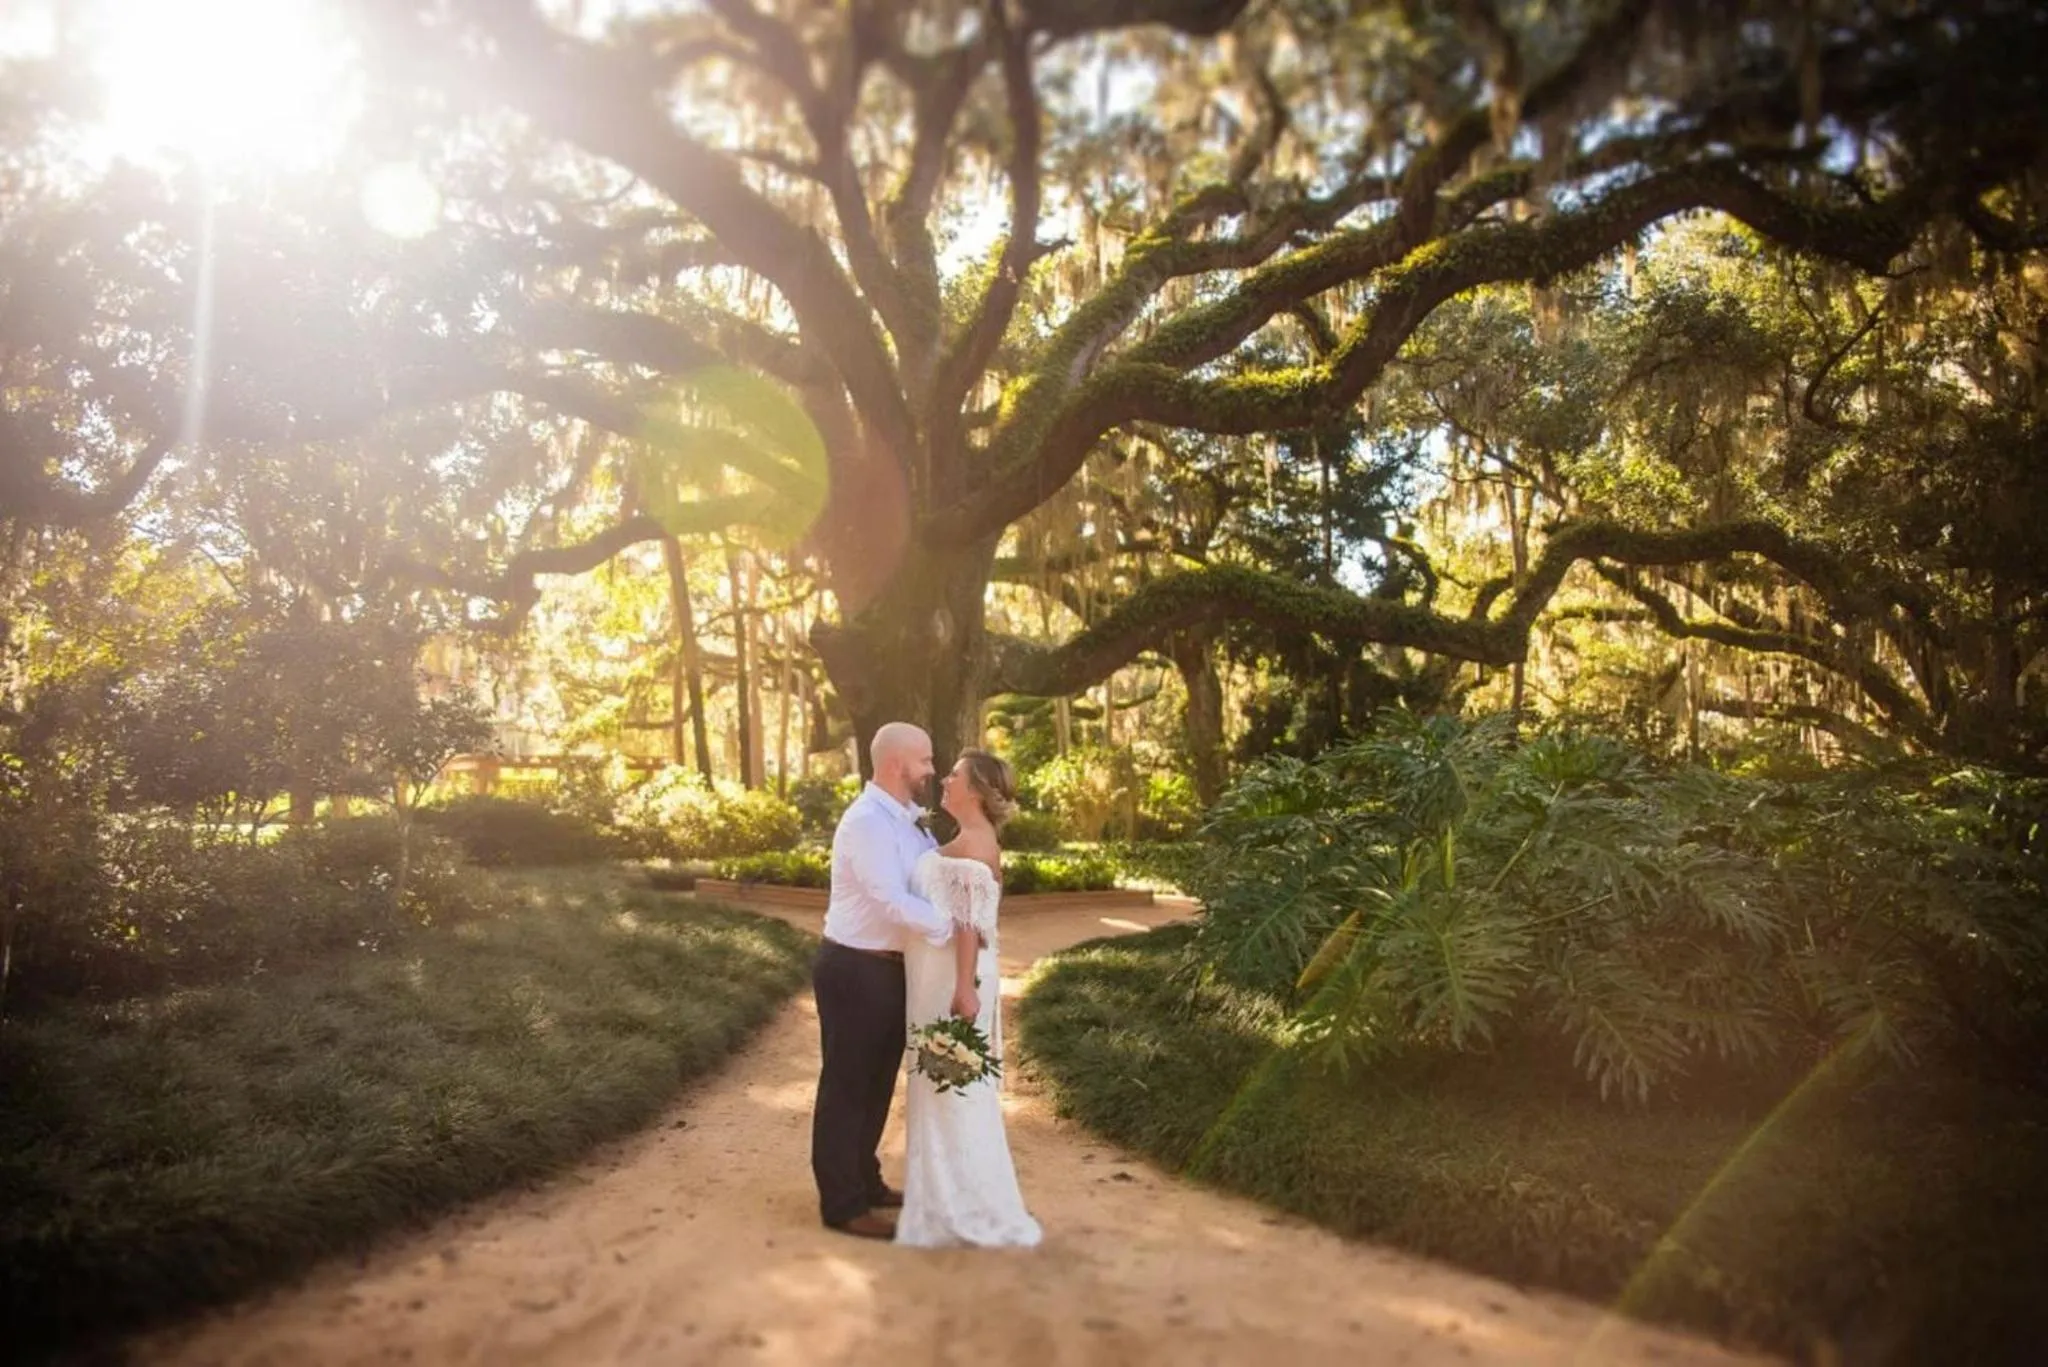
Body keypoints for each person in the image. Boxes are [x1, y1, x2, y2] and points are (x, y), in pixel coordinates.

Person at [894, 748, 1042, 1249]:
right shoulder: (969, 841)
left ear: (976, 789)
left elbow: (968, 927)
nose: (945, 780)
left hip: (954, 980)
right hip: (939, 975)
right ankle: (945, 1195)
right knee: (945, 1084)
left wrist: (962, 990)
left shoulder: (973, 848)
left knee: (948, 1085)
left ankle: (958, 1205)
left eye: (954, 775)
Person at [810, 722, 947, 1240]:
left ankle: (866, 1182)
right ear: (897, 764)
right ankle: (842, 1205)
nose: (931, 771)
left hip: (891, 970)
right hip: (855, 968)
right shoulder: (867, 822)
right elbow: (891, 897)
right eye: (926, 761)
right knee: (847, 1087)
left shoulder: (910, 823)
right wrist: (951, 930)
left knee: (876, 1086)